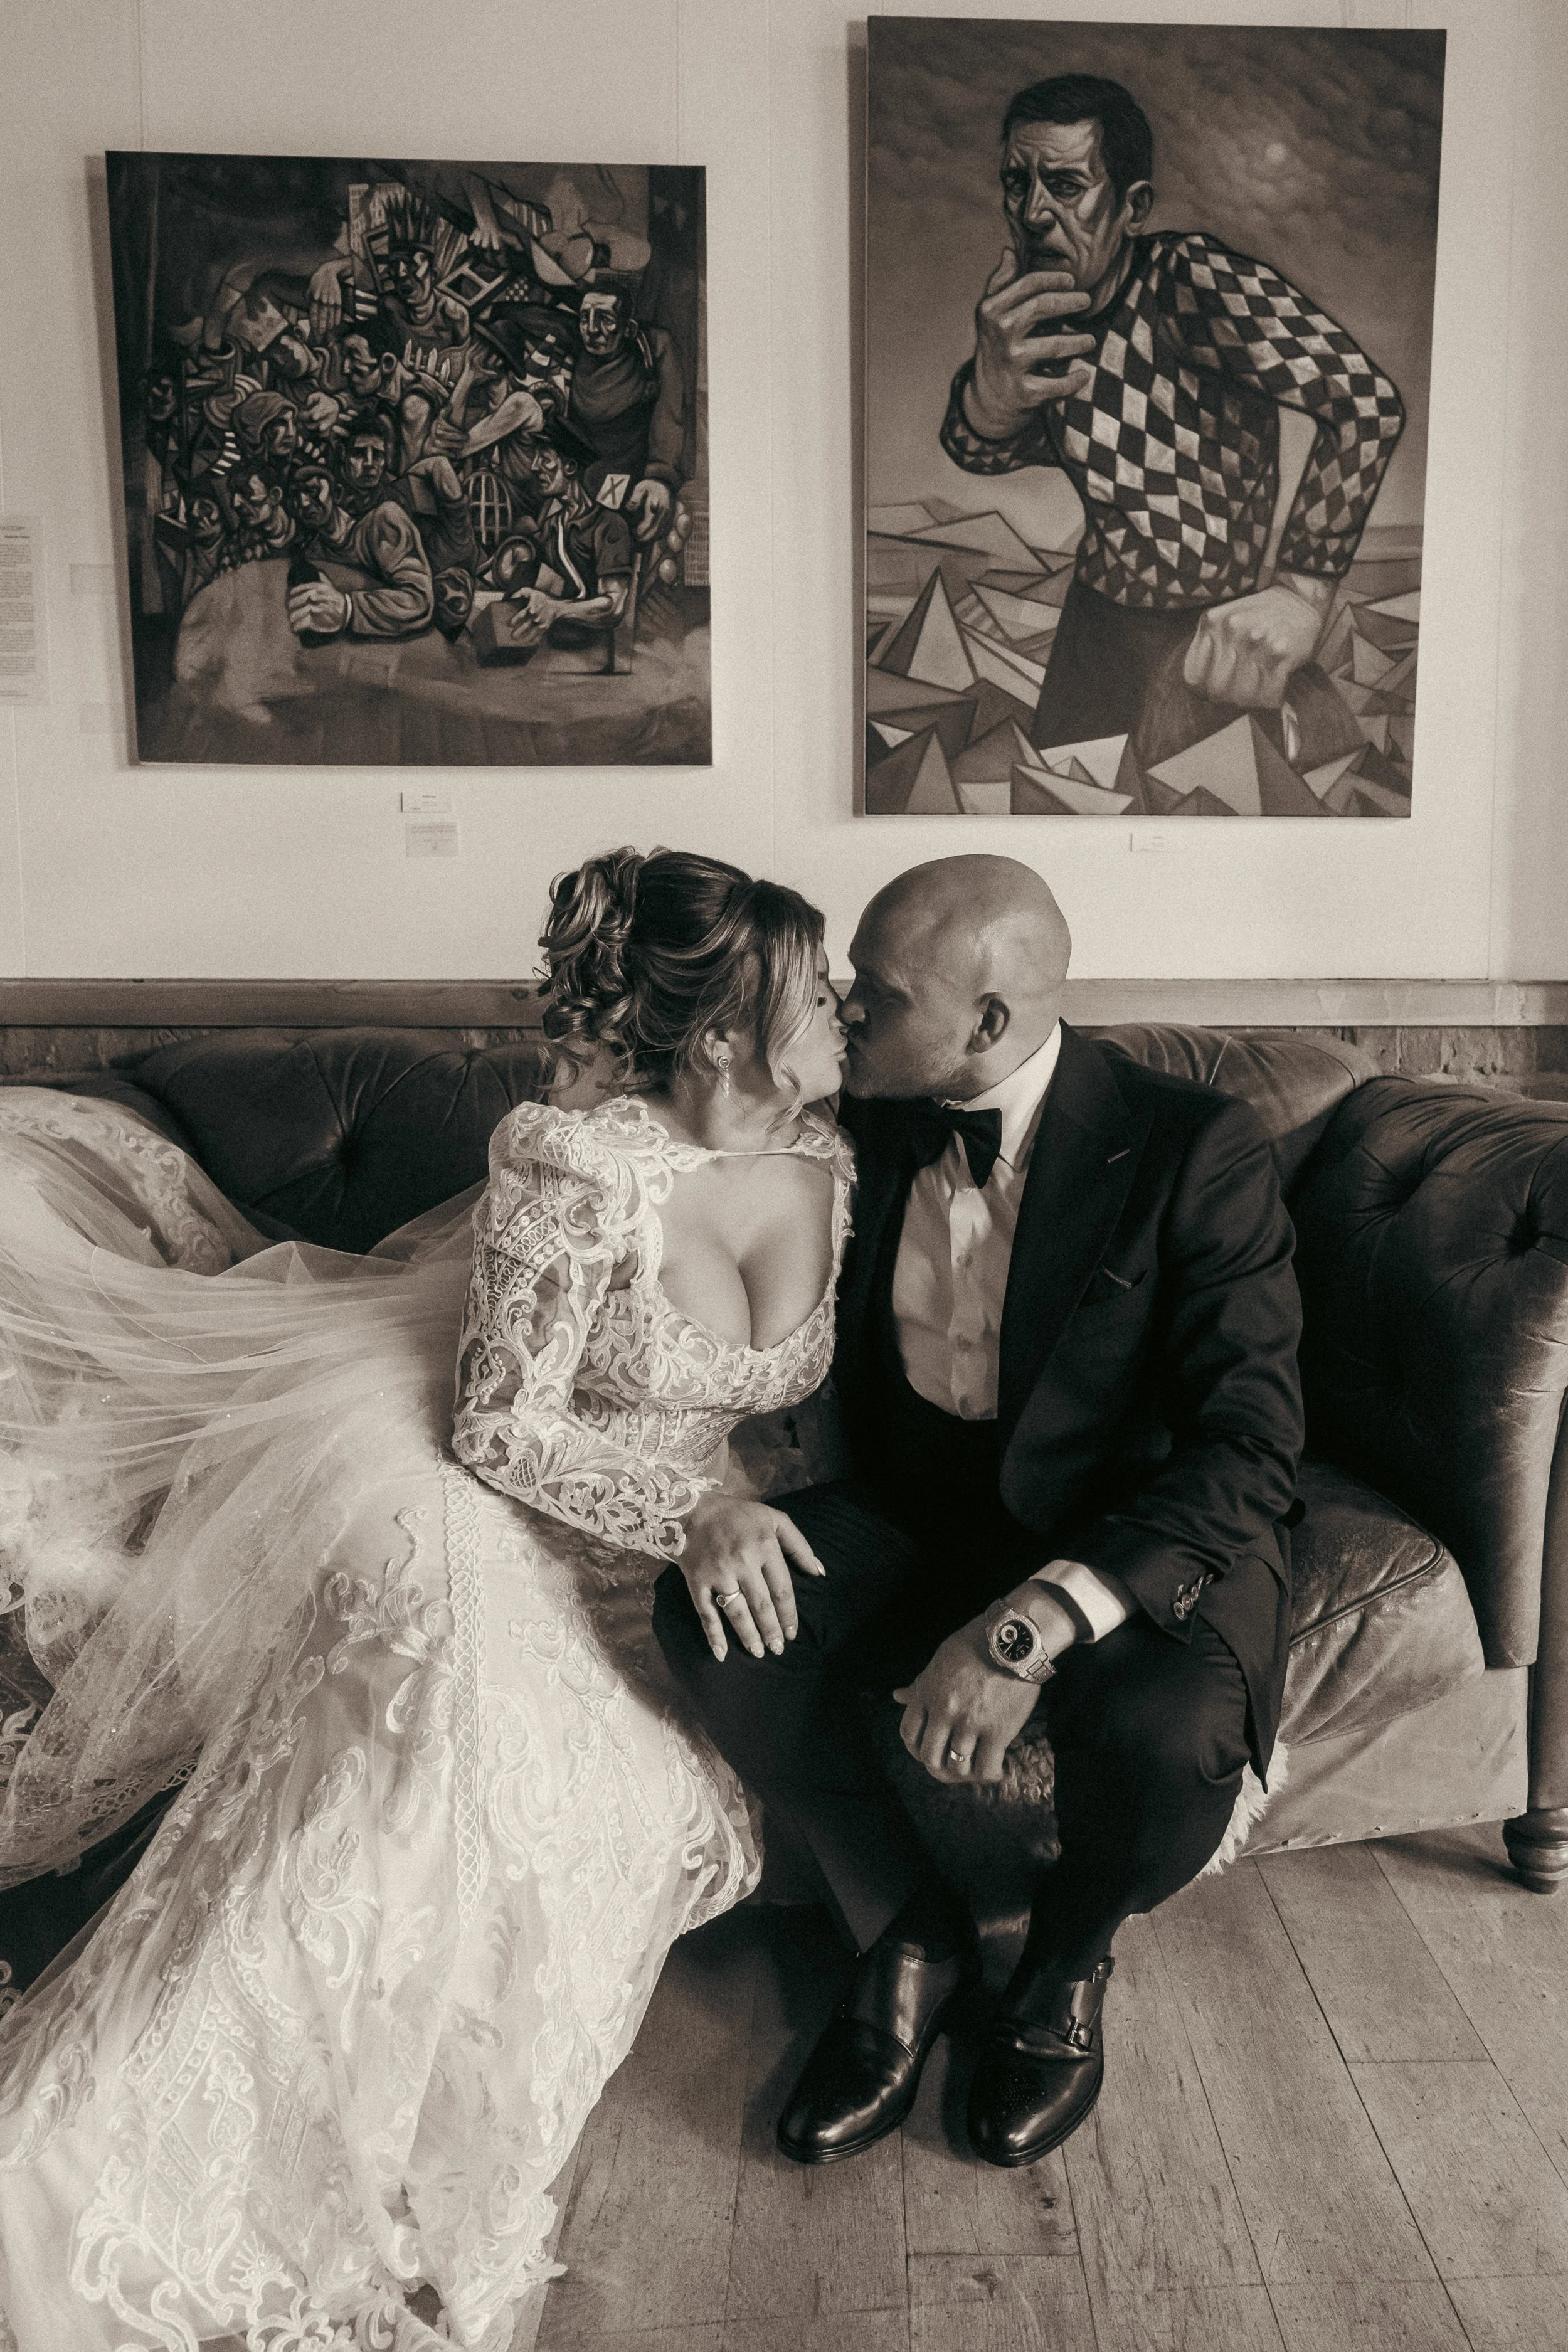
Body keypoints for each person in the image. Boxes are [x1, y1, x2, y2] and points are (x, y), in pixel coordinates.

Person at [0, 849, 852, 2351]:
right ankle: (104, 2174)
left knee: (634, 1802)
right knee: (460, 1757)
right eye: (817, 986)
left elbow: (812, 1415)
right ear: (725, 1030)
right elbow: (503, 1428)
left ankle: (396, 2165)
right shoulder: (579, 1167)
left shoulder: (836, 1163)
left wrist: (773, 1509)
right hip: (508, 1500)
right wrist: (695, 1508)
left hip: (698, 1549)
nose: (844, 1008)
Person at [656, 853, 1303, 2169]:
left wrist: (1032, 1625)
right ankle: (903, 1934)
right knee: (709, 1613)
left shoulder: (1191, 1146)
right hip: (917, 1509)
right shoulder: (858, 1117)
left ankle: (1065, 1969)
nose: (841, 1011)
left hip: (1136, 1539)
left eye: (876, 995)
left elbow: (1252, 1442)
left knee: (1168, 1728)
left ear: (987, 1025)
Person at [939, 73, 1405, 755]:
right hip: (1094, 632)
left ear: (1132, 207)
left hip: (1217, 638)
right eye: (1018, 183)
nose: (1032, 211)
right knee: (1068, 807)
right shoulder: (1038, 315)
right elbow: (988, 452)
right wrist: (988, 395)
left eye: (1065, 185)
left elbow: (1365, 403)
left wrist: (1303, 592)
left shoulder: (1193, 282)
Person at [568, 282, 686, 543]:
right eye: (584, 318)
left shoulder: (655, 349)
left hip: (631, 477)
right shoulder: (572, 352)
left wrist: (659, 477)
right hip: (578, 477)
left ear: (628, 328)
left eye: (605, 319)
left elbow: (669, 415)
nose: (591, 330)